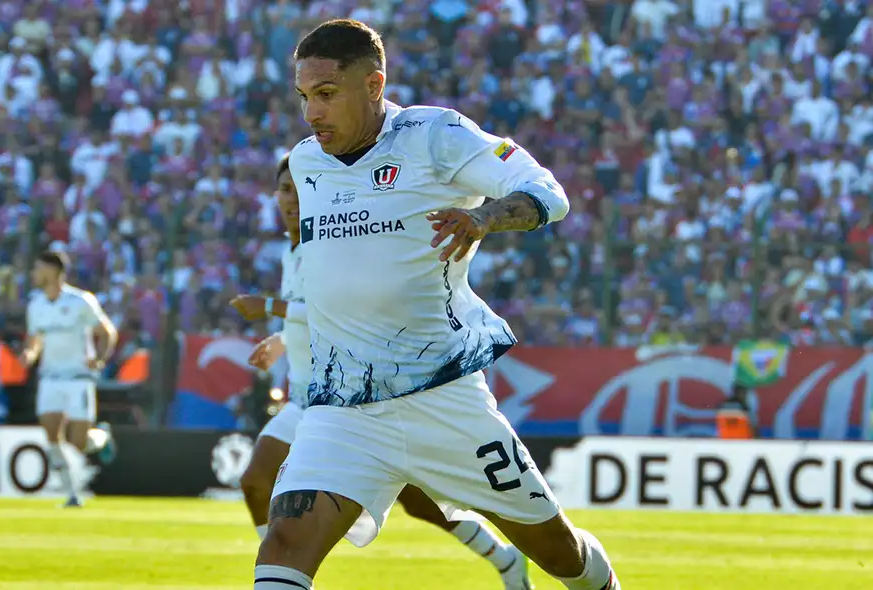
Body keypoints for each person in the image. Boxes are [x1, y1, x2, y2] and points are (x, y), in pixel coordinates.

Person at [253, 19, 620, 590]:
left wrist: (483, 218)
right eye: (303, 97)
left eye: (326, 95)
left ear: (374, 85)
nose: (311, 114)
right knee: (283, 544)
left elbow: (549, 192)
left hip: (442, 399)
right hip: (342, 406)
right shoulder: (306, 162)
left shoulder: (434, 135)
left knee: (557, 552)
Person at [231, 156, 533, 589]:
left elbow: (342, 307)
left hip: (358, 394)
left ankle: (504, 559)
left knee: (423, 504)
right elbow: (314, 317)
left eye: (299, 188)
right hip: (310, 398)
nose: (291, 199)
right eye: (284, 189)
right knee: (256, 481)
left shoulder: (334, 244)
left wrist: (270, 309)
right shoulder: (290, 248)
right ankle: (280, 572)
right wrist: (282, 338)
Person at [20, 250, 119, 507]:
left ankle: (101, 438)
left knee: (77, 444)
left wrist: (99, 359)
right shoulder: (36, 305)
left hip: (78, 378)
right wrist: (30, 354)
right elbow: (35, 339)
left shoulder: (80, 301)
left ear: (52, 272)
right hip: (50, 378)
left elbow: (107, 332)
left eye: (38, 268)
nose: (34, 274)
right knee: (52, 438)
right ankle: (72, 493)